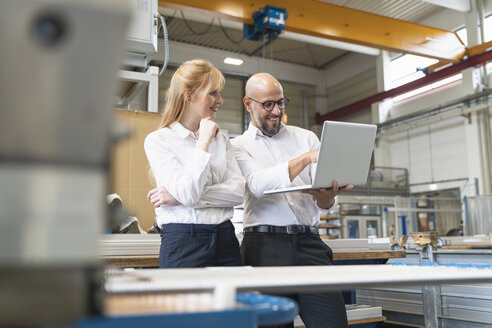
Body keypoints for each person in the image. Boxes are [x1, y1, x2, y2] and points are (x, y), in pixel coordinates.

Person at [232, 73, 352, 328]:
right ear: (247, 103)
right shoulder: (238, 146)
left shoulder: (305, 137)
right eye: (267, 104)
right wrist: (305, 159)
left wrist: (327, 197)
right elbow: (258, 185)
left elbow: (326, 203)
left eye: (281, 102)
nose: (276, 111)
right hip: (264, 249)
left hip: (310, 244)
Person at [144, 59, 245, 268]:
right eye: (213, 93)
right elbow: (188, 194)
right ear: (188, 95)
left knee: (230, 301)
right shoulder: (159, 140)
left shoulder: (222, 140)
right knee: (183, 302)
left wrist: (178, 197)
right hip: (183, 242)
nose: (220, 100)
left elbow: (237, 193)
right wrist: (203, 142)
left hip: (226, 238)